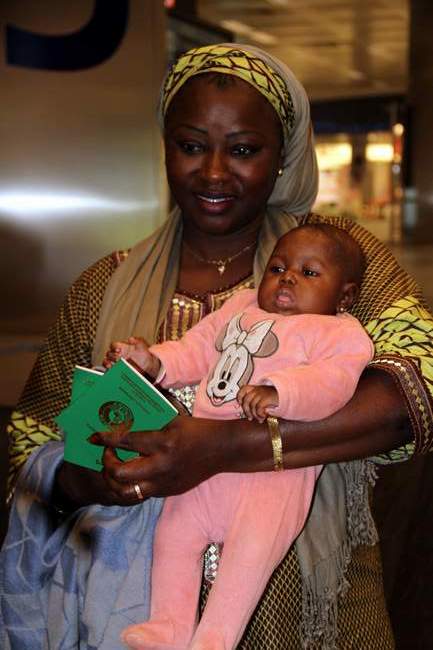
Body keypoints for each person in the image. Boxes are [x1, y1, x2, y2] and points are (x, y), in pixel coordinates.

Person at [0, 43, 432, 650]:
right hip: (122, 621)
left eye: (244, 150)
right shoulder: (103, 286)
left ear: (282, 156)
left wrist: (225, 446)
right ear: (165, 147)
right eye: (191, 145)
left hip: (316, 628)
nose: (213, 173)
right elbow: (29, 449)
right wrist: (90, 479)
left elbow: (417, 388)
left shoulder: (333, 261)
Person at [104, 223, 373, 650]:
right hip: (201, 466)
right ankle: (168, 626)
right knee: (174, 537)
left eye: (309, 273)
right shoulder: (241, 307)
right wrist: (154, 362)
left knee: (246, 563)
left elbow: (334, 383)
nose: (287, 278)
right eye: (278, 268)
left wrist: (281, 392)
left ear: (344, 297)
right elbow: (197, 348)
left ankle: (215, 639)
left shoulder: (340, 333)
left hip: (273, 478)